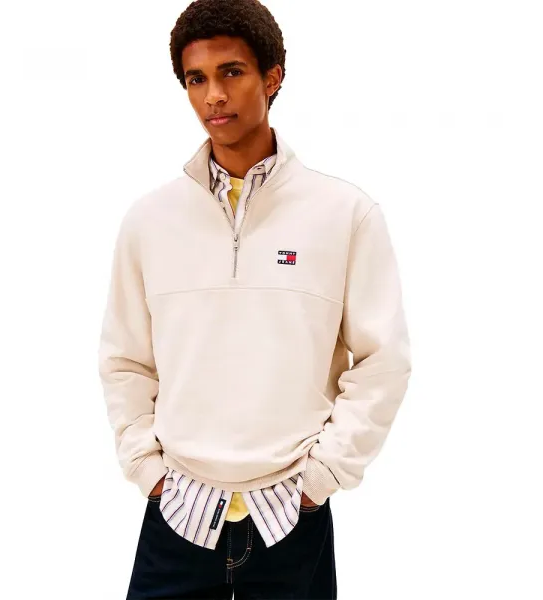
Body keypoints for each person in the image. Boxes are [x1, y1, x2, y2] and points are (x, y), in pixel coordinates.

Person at [98, 0, 412, 597]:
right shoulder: (149, 221)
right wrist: (145, 467)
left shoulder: (344, 214)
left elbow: (383, 360)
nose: (213, 95)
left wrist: (322, 477)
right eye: (196, 79)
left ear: (272, 77)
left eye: (232, 72)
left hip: (291, 516)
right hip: (178, 513)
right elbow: (125, 360)